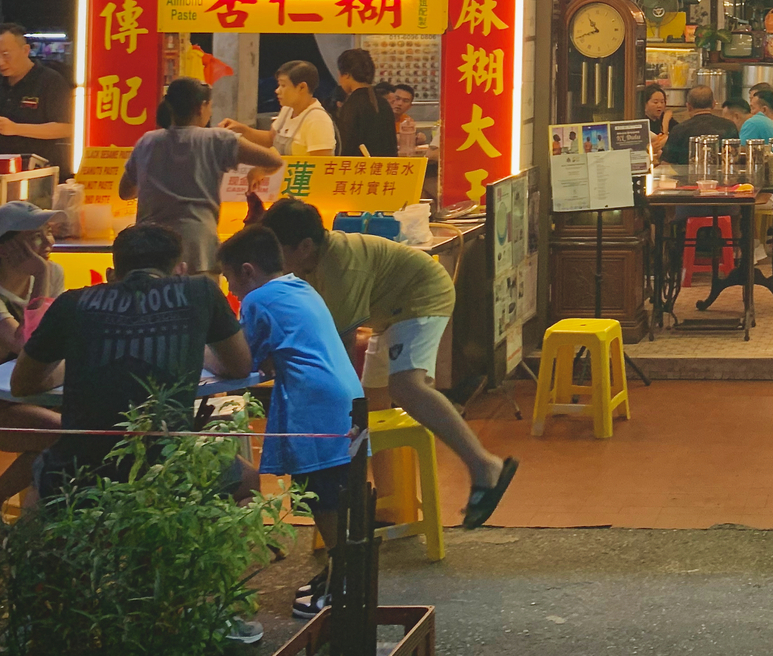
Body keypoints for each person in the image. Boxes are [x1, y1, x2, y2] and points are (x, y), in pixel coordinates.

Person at [262, 198, 518, 527]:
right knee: (370, 404)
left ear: (305, 246)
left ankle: (485, 466)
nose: (273, 260)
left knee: (405, 386)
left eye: (277, 250)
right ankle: (387, 503)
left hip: (420, 297)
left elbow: (339, 350)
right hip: (388, 314)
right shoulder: (310, 264)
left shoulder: (339, 265)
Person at [15, 223, 253, 493]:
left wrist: (75, 359)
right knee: (248, 481)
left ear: (111, 273)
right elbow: (239, 367)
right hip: (169, 467)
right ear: (180, 271)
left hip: (78, 472)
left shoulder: (72, 302)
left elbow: (22, 384)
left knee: (44, 478)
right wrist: (194, 349)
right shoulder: (201, 292)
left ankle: (35, 534)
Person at [218, 226, 363, 620]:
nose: (230, 288)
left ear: (247, 271)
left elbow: (242, 360)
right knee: (335, 489)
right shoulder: (298, 287)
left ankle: (343, 582)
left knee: (322, 494)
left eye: (229, 278)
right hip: (347, 396)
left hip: (316, 405)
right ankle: (339, 571)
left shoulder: (258, 299)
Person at [119, 76, 285, 276]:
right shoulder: (217, 139)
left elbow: (125, 192)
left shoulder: (147, 142)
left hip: (150, 247)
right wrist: (257, 171)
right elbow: (274, 160)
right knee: (199, 302)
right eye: (210, 106)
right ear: (201, 107)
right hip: (198, 245)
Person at [0, 202, 66, 504]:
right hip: (6, 400)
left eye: (48, 233)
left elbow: (59, 336)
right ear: (6, 247)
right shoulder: (46, 273)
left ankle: (32, 523)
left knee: (78, 427)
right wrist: (41, 276)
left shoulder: (54, 271)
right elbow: (29, 344)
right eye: (36, 237)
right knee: (64, 435)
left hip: (23, 392)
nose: (49, 244)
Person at [0, 22, 73, 176]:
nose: (1, 62)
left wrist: (16, 128)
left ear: (25, 50)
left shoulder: (50, 81)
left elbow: (66, 127)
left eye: (6, 54)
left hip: (38, 173)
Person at [225, 59, 338, 158]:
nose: (277, 90)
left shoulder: (317, 120)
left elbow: (322, 166)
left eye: (283, 85)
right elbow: (270, 139)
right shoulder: (288, 109)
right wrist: (241, 130)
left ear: (302, 87)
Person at [334, 49, 397, 158]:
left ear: (347, 75)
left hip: (360, 171)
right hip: (386, 170)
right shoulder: (382, 102)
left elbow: (346, 147)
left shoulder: (352, 104)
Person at [659, 86, 738, 166]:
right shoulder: (729, 127)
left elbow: (666, 164)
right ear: (713, 104)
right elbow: (735, 159)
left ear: (688, 106)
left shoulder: (679, 130)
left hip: (686, 178)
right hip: (721, 177)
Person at [641, 85, 676, 157]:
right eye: (655, 102)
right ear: (645, 104)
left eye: (662, 102)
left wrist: (665, 121)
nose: (659, 105)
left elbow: (678, 134)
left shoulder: (665, 118)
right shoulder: (642, 123)